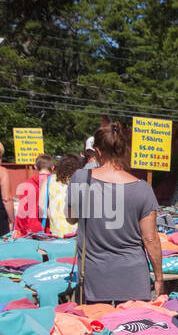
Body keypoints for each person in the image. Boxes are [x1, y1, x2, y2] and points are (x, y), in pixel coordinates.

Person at [68, 122, 162, 303]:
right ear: (123, 150)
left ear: (98, 151)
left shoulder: (80, 178)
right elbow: (150, 239)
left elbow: (71, 218)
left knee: (97, 329)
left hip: (95, 279)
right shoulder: (143, 189)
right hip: (134, 279)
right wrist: (158, 278)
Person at [16, 154, 54, 237]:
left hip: (32, 229)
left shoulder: (26, 184)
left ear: (35, 167)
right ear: (53, 167)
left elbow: (22, 213)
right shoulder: (56, 184)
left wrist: (19, 230)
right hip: (53, 228)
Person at [47, 154, 81, 237]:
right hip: (75, 230)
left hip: (56, 230)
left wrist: (53, 218)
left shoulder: (50, 180)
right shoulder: (80, 181)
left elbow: (42, 206)